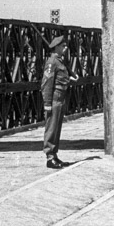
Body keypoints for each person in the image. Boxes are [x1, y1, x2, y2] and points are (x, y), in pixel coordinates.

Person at [42, 36, 77, 169]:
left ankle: (54, 155)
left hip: (61, 97)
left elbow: (61, 79)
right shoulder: (52, 62)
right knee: (51, 128)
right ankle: (50, 157)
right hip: (55, 98)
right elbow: (47, 83)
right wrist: (47, 103)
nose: (66, 48)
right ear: (56, 47)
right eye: (63, 46)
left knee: (57, 128)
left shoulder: (60, 61)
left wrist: (71, 78)